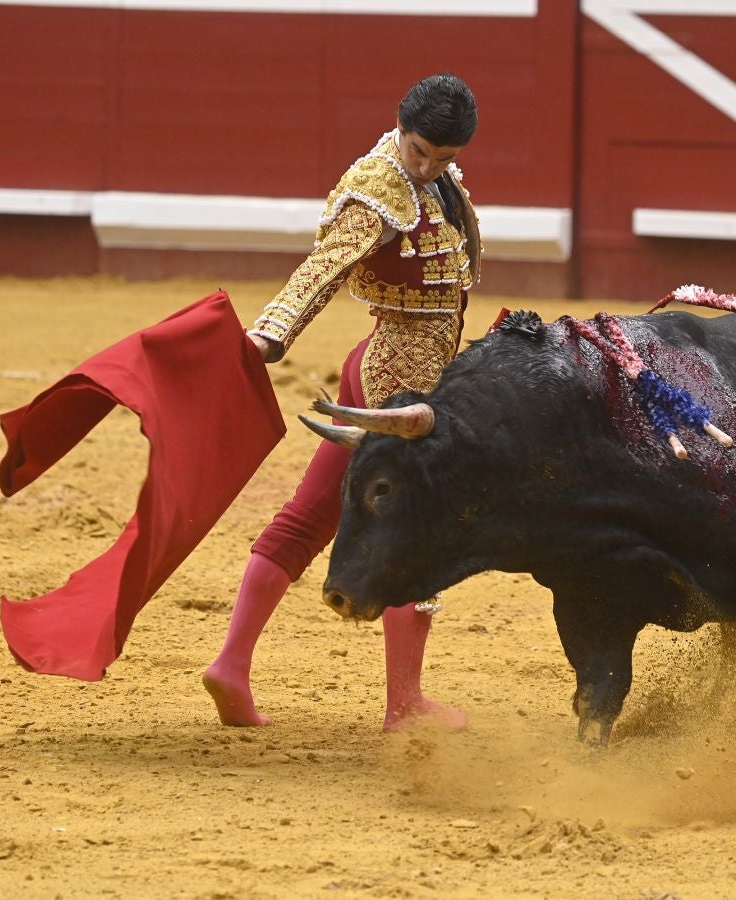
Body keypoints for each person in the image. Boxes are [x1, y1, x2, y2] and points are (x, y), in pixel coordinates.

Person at [201, 73, 482, 731]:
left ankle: (231, 667)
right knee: (416, 525)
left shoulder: (432, 179)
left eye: (443, 158)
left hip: (383, 366)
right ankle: (404, 704)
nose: (428, 166)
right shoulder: (380, 188)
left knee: (308, 515)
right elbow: (322, 268)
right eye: (420, 151)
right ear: (399, 128)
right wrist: (271, 334)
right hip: (398, 383)